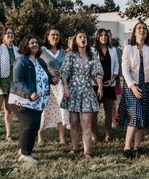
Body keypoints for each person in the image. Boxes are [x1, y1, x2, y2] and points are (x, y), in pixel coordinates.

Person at [119, 21, 149, 158]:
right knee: (136, 115)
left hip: (146, 86)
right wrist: (132, 86)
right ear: (135, 32)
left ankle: (137, 147)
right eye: (139, 28)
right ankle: (127, 148)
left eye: (144, 28)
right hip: (132, 85)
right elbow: (124, 70)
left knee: (144, 117)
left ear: (147, 32)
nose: (142, 30)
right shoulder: (128, 48)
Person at [59, 30, 104, 160]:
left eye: (84, 36)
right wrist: (66, 88)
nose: (83, 38)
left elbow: (97, 72)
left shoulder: (92, 56)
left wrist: (100, 86)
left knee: (86, 123)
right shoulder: (71, 55)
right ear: (76, 40)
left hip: (87, 91)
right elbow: (64, 73)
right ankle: (75, 147)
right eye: (80, 37)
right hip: (73, 91)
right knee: (74, 122)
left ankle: (87, 152)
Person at [8, 35, 51, 164]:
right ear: (26, 45)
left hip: (38, 102)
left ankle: (22, 150)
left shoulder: (40, 61)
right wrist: (30, 92)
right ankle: (25, 155)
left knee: (28, 125)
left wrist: (52, 79)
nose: (35, 44)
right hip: (22, 99)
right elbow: (17, 81)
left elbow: (46, 75)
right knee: (31, 125)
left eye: (36, 42)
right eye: (31, 43)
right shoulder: (21, 61)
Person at [38, 27, 69, 144]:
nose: (55, 37)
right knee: (43, 110)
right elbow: (37, 66)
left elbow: (66, 68)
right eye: (53, 35)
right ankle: (40, 137)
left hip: (60, 85)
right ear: (47, 36)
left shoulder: (63, 52)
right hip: (46, 85)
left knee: (61, 110)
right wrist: (48, 72)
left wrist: (61, 73)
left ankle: (61, 138)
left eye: (57, 35)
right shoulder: (42, 51)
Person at [92, 28, 119, 142]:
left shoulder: (113, 50)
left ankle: (107, 135)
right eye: (101, 35)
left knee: (108, 111)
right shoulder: (92, 50)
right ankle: (94, 135)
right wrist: (98, 83)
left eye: (105, 35)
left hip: (109, 84)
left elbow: (117, 66)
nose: (104, 37)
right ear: (98, 37)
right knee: (94, 112)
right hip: (95, 84)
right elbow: (90, 67)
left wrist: (113, 78)